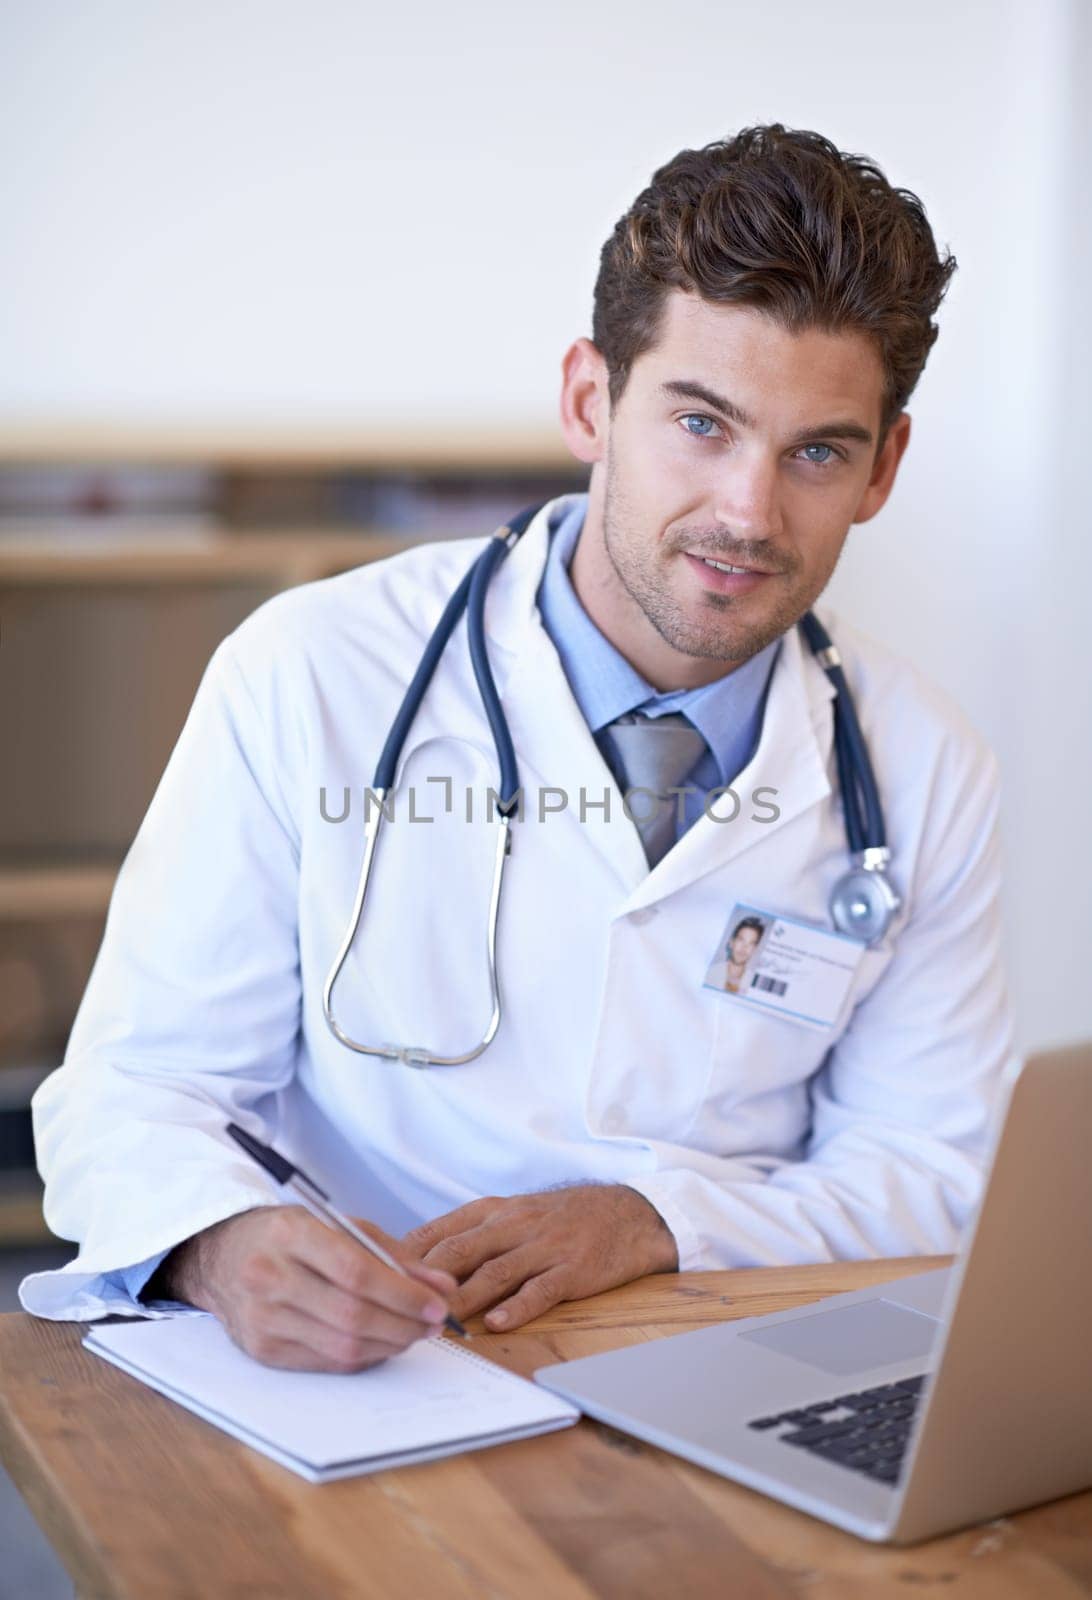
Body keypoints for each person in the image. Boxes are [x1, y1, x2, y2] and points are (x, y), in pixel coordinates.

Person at [23, 125, 1015, 1376]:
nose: (749, 513)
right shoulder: (316, 671)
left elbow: (934, 1172)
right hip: (371, 1365)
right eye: (701, 424)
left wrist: (656, 1221)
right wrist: (220, 1244)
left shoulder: (921, 764)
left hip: (723, 1354)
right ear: (590, 400)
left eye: (817, 451)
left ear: (884, 471)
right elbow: (133, 1090)